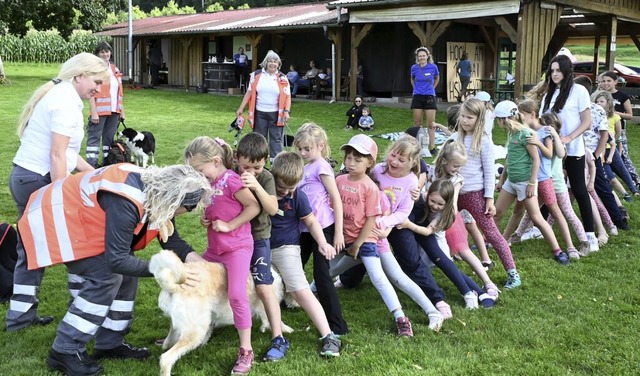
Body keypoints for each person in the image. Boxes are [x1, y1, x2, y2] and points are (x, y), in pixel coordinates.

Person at [18, 163, 211, 375]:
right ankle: (65, 349)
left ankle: (110, 341)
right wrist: (164, 270)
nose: (189, 212)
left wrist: (203, 267)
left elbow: (172, 241)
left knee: (128, 272)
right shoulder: (126, 200)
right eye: (191, 207)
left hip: (74, 214)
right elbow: (116, 260)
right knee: (106, 276)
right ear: (176, 199)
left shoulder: (160, 192)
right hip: (54, 217)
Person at [6, 52, 108, 332]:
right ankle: (86, 307)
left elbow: (71, 155)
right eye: (96, 81)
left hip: (26, 178)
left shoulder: (65, 97)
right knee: (72, 242)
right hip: (36, 180)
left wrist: (100, 175)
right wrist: (61, 195)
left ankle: (20, 319)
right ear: (79, 76)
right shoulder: (64, 102)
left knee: (31, 249)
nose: (98, 89)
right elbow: (57, 155)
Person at [184, 136, 261, 375]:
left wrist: (229, 226)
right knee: (195, 285)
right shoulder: (209, 183)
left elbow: (253, 207)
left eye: (199, 170)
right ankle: (186, 334)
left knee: (237, 295)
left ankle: (246, 350)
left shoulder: (231, 180)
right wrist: (206, 218)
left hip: (236, 249)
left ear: (216, 161)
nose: (198, 176)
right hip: (214, 249)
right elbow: (216, 208)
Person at [368, 135, 452, 318]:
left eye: (401, 159)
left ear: (412, 162)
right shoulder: (378, 170)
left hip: (397, 224)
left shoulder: (411, 182)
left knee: (411, 260)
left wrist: (385, 224)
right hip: (372, 222)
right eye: (393, 155)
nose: (394, 161)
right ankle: (346, 280)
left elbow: (403, 212)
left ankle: (437, 298)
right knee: (363, 252)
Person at [269, 151, 342, 357]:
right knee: (265, 289)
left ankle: (329, 336)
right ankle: (274, 333)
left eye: (291, 188)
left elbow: (311, 221)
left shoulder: (298, 195)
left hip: (287, 248)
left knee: (300, 290)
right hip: (261, 247)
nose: (287, 192)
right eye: (282, 188)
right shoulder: (264, 188)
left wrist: (323, 243)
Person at [505, 102, 590, 258]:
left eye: (521, 113)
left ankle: (577, 244)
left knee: (560, 212)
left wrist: (549, 138)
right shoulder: (523, 131)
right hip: (529, 179)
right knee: (527, 212)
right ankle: (512, 236)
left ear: (532, 113)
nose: (518, 116)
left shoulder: (545, 132)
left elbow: (554, 154)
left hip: (547, 181)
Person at [453, 98, 521, 288]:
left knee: (492, 233)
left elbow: (490, 172)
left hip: (475, 195)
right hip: (454, 194)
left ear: (479, 119)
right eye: (463, 117)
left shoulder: (484, 140)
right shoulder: (455, 138)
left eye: (469, 117)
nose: (465, 121)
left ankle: (513, 273)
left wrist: (489, 199)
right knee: (441, 226)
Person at [492, 101, 570, 265]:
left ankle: (558, 251)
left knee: (536, 217)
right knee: (497, 212)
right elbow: (509, 159)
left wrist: (532, 184)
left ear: (504, 119)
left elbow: (536, 160)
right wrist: (501, 180)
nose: (497, 123)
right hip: (511, 182)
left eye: (497, 119)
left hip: (524, 182)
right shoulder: (511, 133)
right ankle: (488, 241)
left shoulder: (526, 134)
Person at [398, 178, 496, 308]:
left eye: (440, 204)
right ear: (429, 193)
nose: (435, 206)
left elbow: (427, 232)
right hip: (418, 225)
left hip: (432, 233)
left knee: (443, 261)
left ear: (447, 203)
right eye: (432, 201)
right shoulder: (425, 196)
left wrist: (408, 225)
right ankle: (478, 293)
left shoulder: (445, 213)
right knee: (438, 262)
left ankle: (471, 293)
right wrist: (415, 196)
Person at [235, 133, 289, 361]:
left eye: (257, 166)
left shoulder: (265, 178)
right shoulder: (231, 174)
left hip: (258, 239)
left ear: (265, 160)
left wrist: (256, 184)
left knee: (264, 286)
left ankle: (278, 337)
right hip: (234, 239)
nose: (251, 171)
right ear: (237, 159)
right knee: (231, 282)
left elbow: (272, 208)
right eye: (246, 166)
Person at [293, 123, 348, 336]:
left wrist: (339, 233)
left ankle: (337, 325)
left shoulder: (322, 167)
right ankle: (282, 303)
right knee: (294, 265)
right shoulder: (305, 168)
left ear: (321, 145)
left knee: (321, 274)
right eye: (300, 149)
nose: (303, 153)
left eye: (307, 149)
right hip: (304, 228)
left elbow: (336, 198)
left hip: (324, 227)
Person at [540, 54, 598, 252]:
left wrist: (568, 138)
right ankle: (539, 226)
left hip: (572, 150)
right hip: (551, 150)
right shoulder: (550, 92)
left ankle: (590, 236)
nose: (555, 74)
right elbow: (542, 119)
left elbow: (586, 122)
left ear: (567, 71)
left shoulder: (578, 91)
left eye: (558, 70)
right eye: (552, 71)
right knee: (547, 187)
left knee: (579, 190)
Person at [431, 140, 500, 299]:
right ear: (444, 160)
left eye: (460, 166)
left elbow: (453, 204)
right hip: (431, 215)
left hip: (449, 218)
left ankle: (488, 282)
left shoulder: (456, 180)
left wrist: (445, 221)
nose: (458, 169)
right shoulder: (431, 171)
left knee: (464, 250)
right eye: (455, 166)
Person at [573, 76, 628, 232]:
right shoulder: (571, 108)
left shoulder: (596, 109)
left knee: (602, 188)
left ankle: (617, 220)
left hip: (590, 156)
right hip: (571, 155)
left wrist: (597, 155)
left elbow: (604, 134)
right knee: (564, 190)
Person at [236, 50, 291, 161]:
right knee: (260, 140)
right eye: (270, 61)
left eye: (275, 62)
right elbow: (249, 92)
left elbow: (288, 96)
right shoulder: (256, 75)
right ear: (265, 62)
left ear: (279, 64)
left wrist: (286, 111)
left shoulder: (283, 78)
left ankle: (276, 165)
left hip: (277, 114)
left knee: (276, 140)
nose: (272, 64)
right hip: (259, 113)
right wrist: (241, 108)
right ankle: (259, 162)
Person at [591, 90, 639, 199]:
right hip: (599, 150)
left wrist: (612, 142)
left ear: (608, 103)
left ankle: (633, 189)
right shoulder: (595, 116)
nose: (599, 104)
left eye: (601, 101)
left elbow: (618, 133)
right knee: (609, 176)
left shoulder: (614, 117)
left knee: (622, 169)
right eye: (597, 102)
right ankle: (621, 194)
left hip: (610, 148)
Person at [86, 41, 125, 168]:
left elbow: (119, 92)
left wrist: (121, 111)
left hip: (114, 110)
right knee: (95, 138)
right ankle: (91, 166)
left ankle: (107, 164)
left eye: (107, 51)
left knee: (108, 139)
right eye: (102, 52)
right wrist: (94, 112)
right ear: (97, 54)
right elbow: (90, 92)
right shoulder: (94, 70)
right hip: (100, 111)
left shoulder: (115, 69)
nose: (105, 54)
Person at [599, 71, 640, 190]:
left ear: (615, 82)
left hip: (617, 130)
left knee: (623, 156)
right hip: (601, 131)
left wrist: (615, 113)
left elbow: (630, 115)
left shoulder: (622, 96)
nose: (605, 83)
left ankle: (636, 180)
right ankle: (606, 177)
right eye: (603, 81)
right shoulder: (599, 96)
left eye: (608, 81)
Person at [410, 46, 440, 154]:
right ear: (417, 57)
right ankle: (416, 146)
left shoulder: (433, 67)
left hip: (429, 96)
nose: (422, 57)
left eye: (423, 55)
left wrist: (433, 87)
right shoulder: (414, 67)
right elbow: (412, 78)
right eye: (420, 56)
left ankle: (432, 147)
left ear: (427, 56)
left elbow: (437, 77)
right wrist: (415, 88)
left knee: (431, 124)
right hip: (418, 96)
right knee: (417, 123)